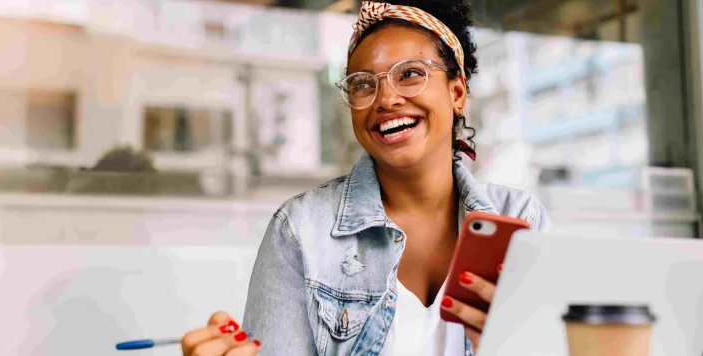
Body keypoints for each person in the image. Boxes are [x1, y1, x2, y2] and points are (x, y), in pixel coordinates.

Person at [179, 1, 550, 355]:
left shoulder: (520, 220)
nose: (385, 99)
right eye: (363, 84)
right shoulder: (300, 231)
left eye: (410, 74)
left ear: (456, 92)